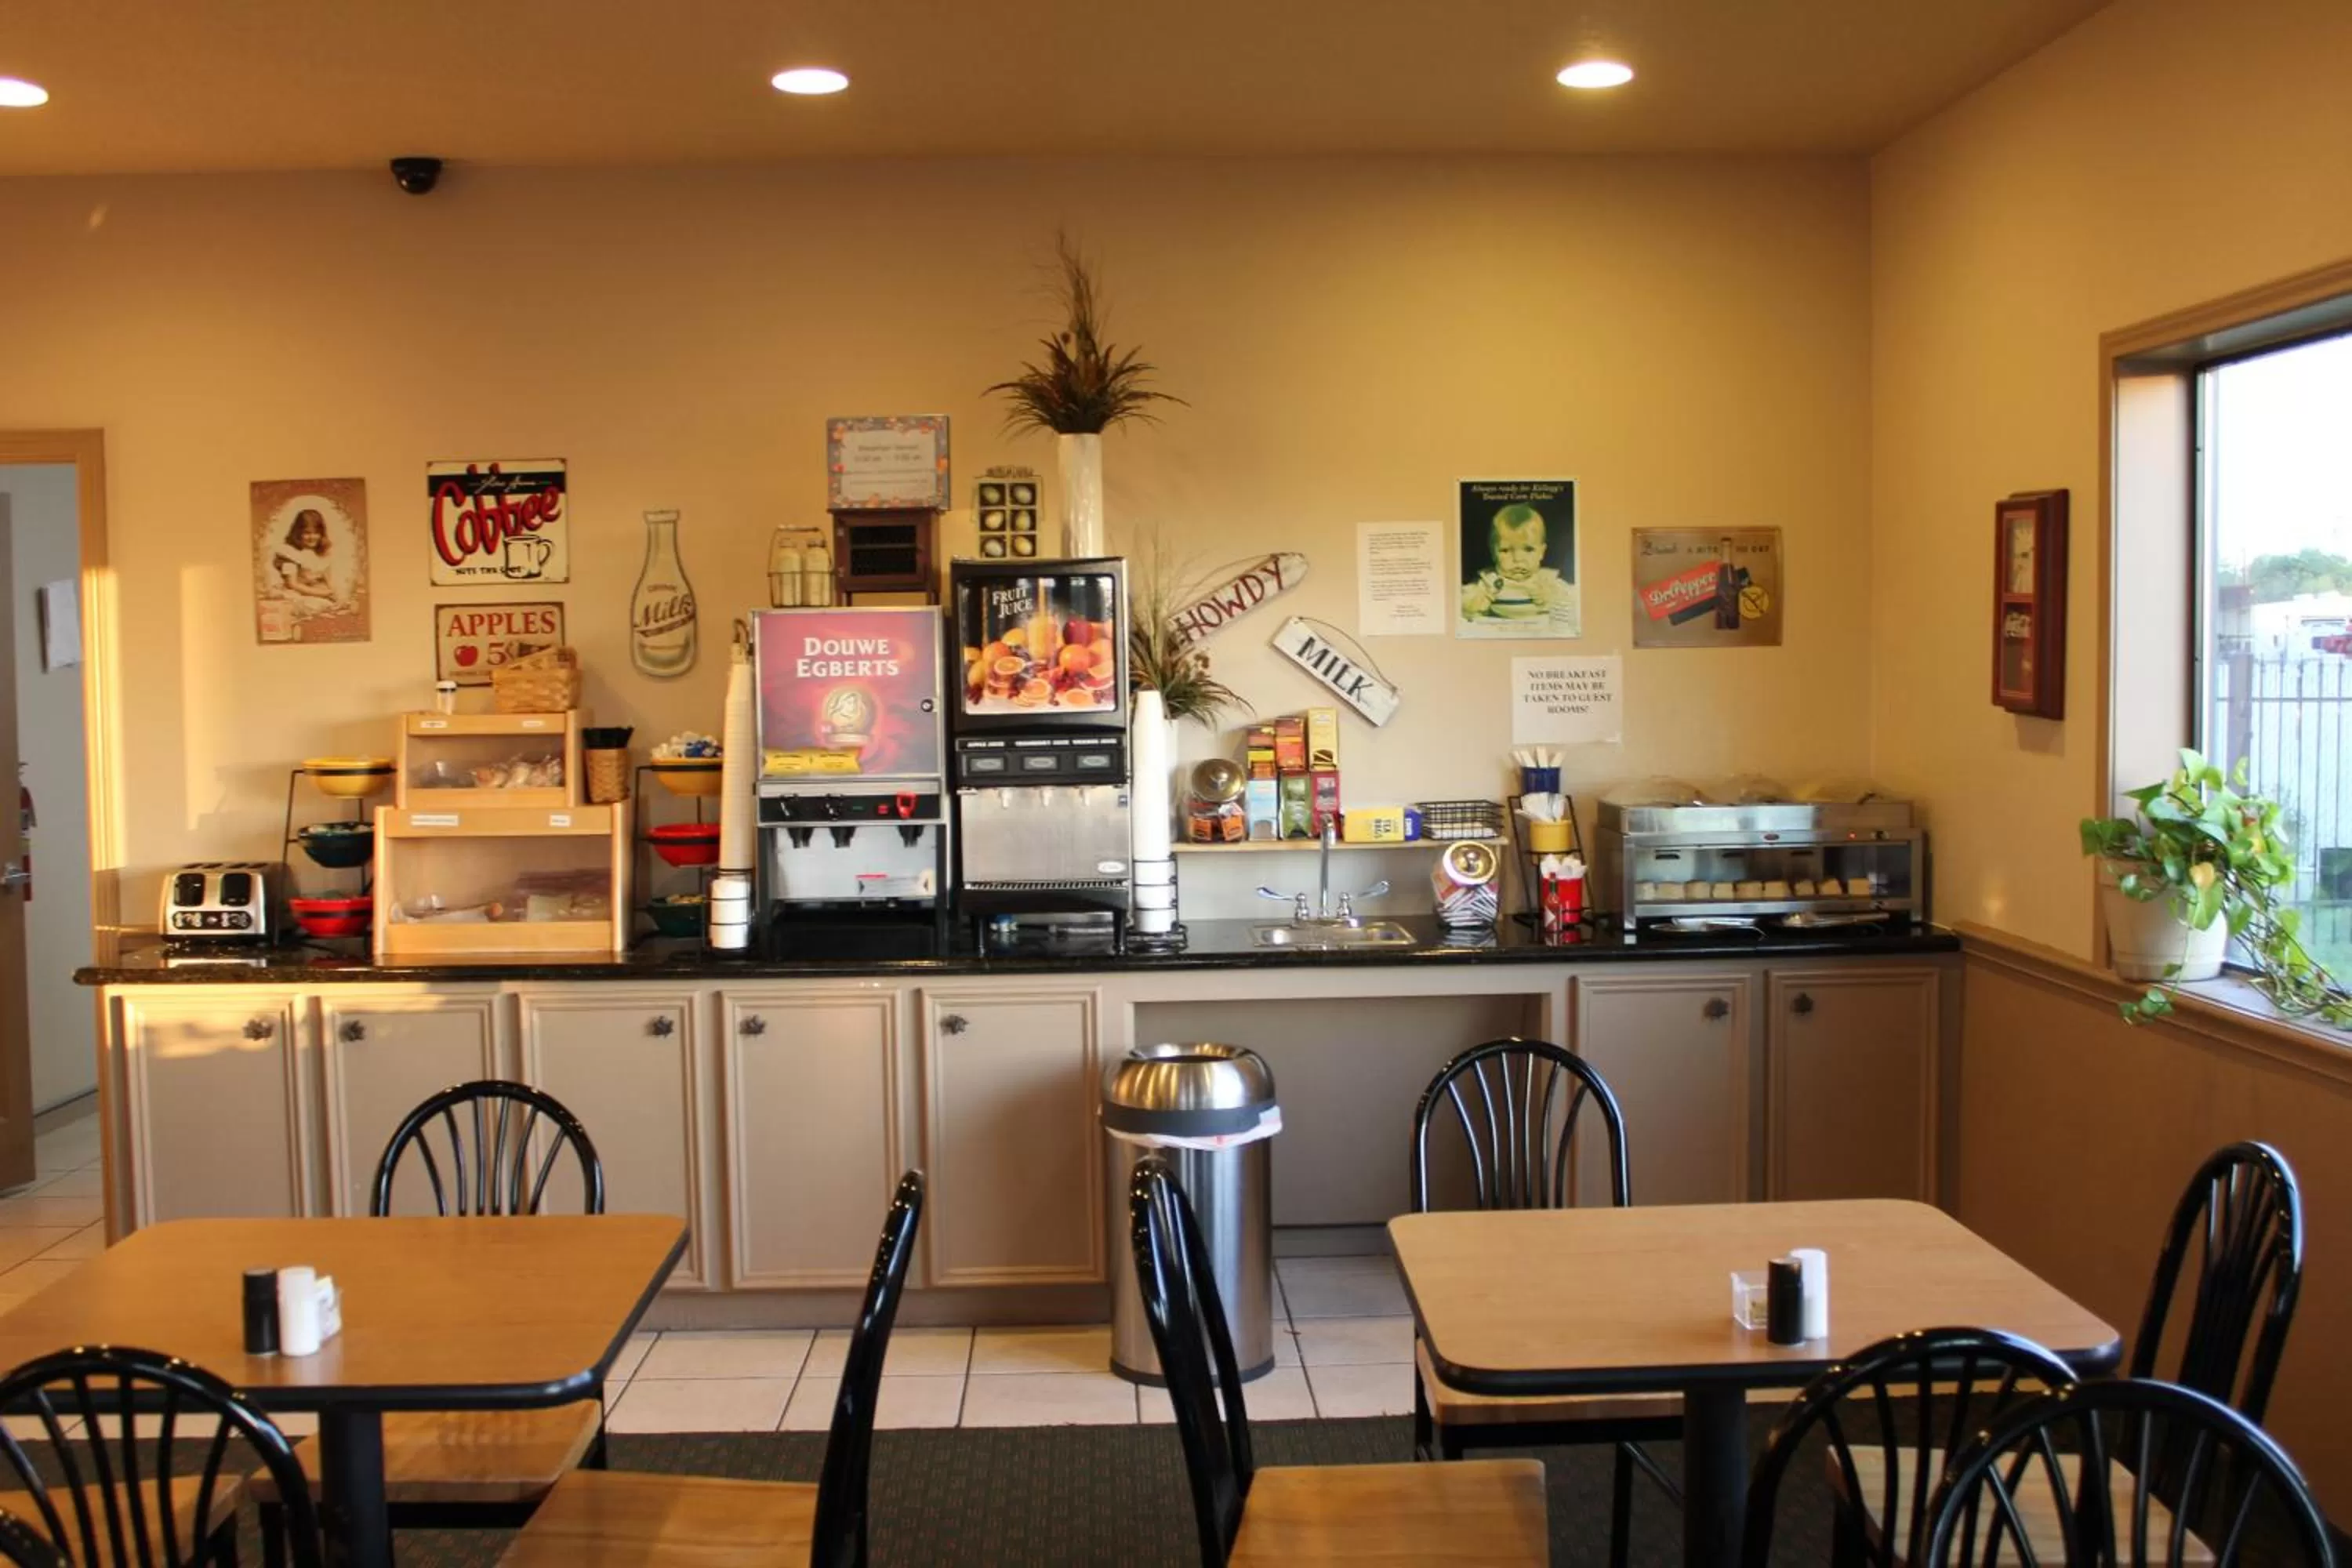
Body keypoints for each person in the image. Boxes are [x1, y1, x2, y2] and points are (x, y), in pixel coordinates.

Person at [1461, 503, 1576, 622]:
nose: (1518, 559)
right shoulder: (1490, 582)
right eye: (1505, 550)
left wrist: (1552, 599)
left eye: (1528, 549)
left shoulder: (1547, 581)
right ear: (1493, 552)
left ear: (1541, 552)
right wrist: (1475, 603)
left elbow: (1574, 605)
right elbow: (1463, 609)